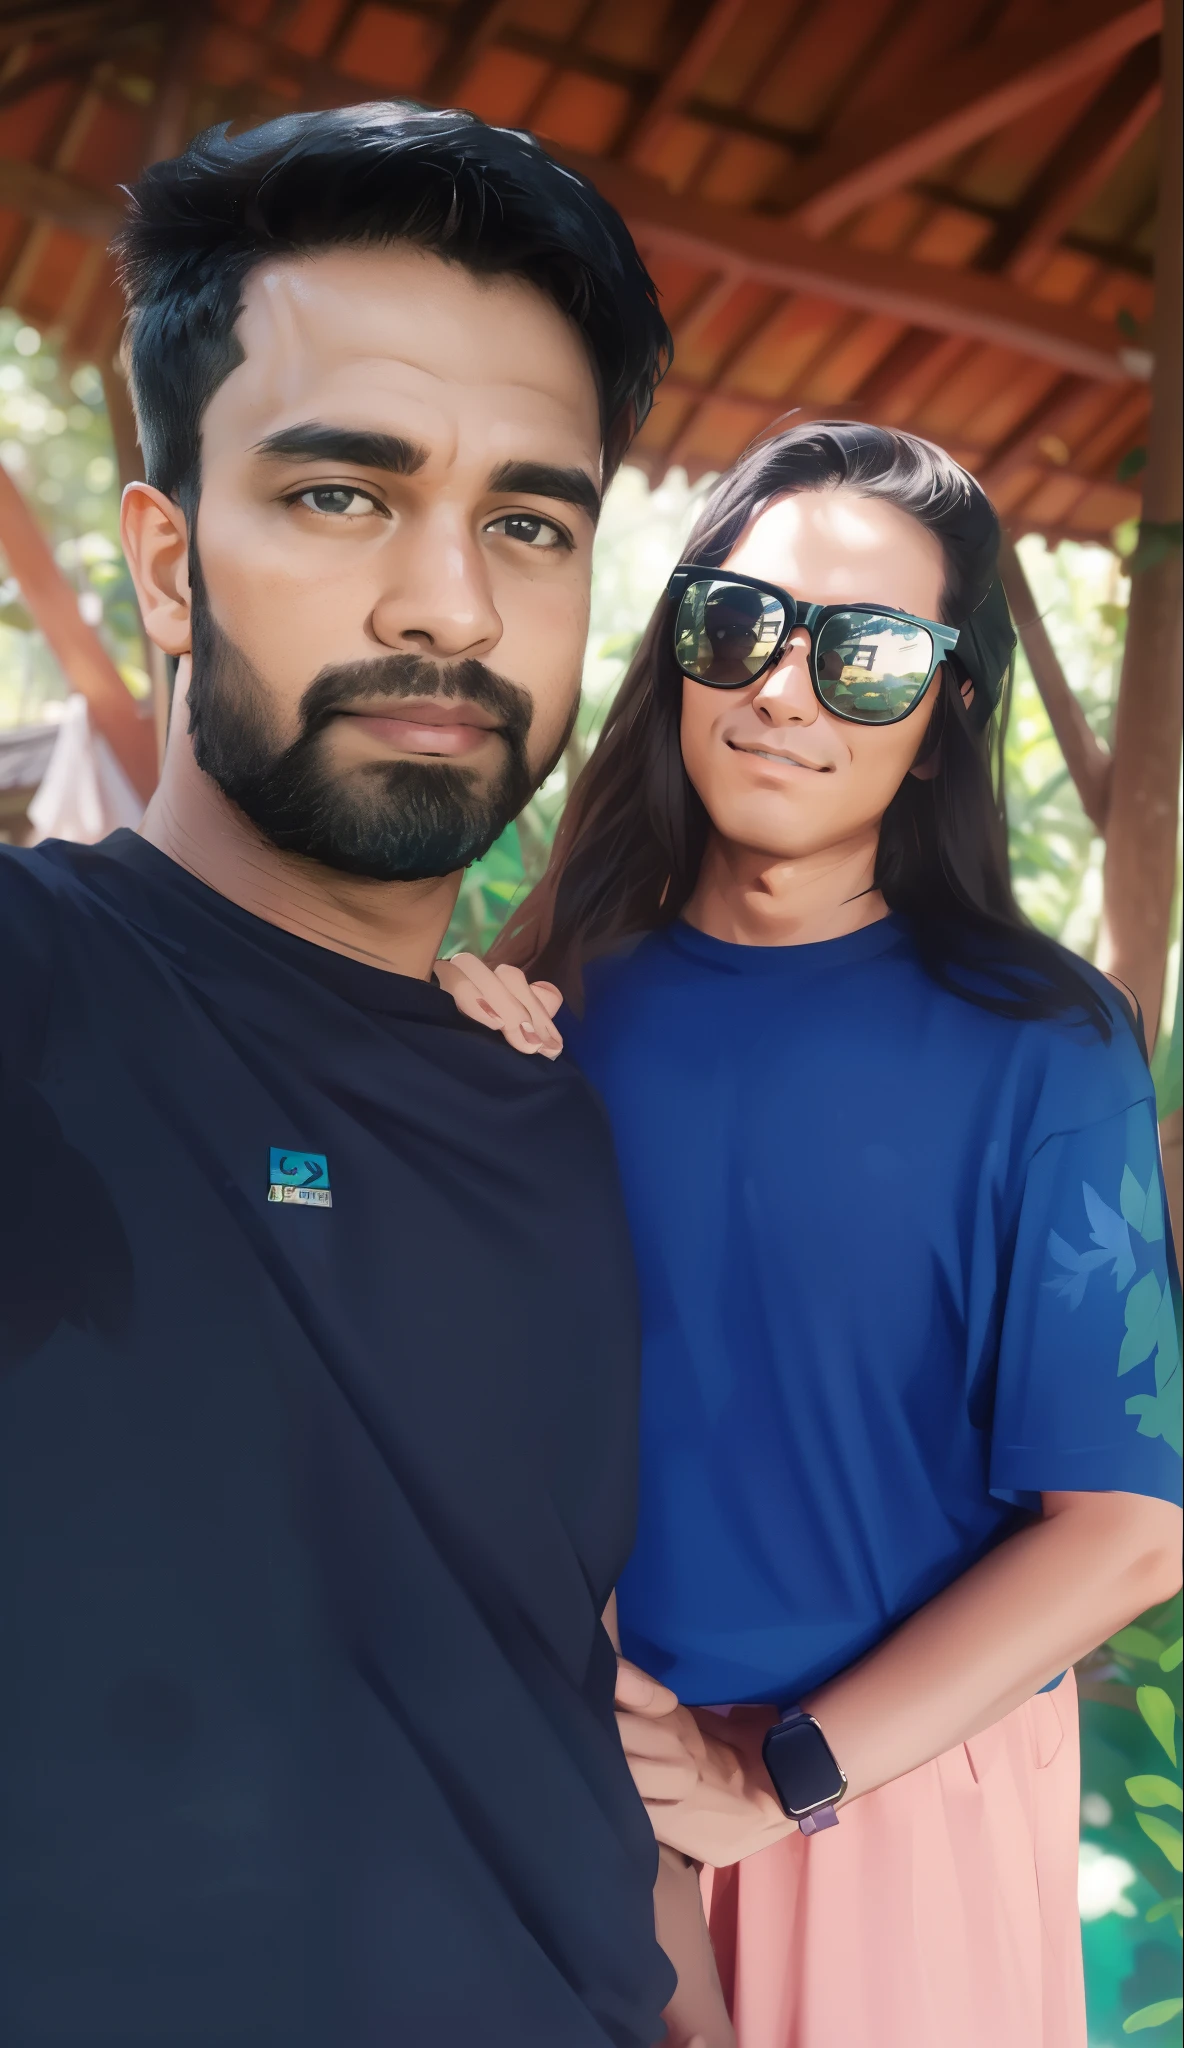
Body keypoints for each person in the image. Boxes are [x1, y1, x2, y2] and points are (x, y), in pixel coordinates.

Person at [0, 103, 684, 2048]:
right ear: (163, 556)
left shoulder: (551, 1100)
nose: (450, 608)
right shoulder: (41, 989)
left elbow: (542, 1633)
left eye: (528, 522)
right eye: (337, 494)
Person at [437, 422, 1184, 2048]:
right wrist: (440, 1072)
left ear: (945, 715)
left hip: (887, 1805)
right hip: (564, 1795)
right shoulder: (554, 996)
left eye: (866, 654)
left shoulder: (1041, 1046)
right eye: (740, 623)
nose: (783, 687)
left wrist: (781, 1778)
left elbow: (1126, 1528)